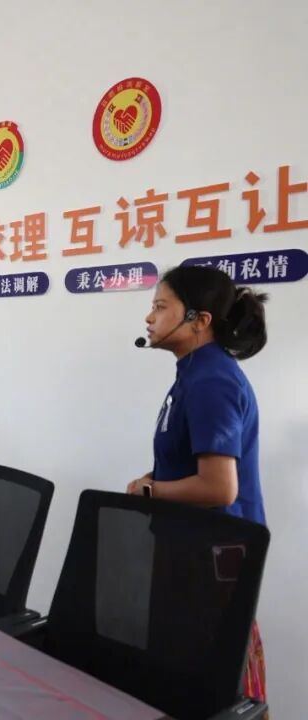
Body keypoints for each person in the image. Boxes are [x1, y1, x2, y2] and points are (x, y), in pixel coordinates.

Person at [125, 265, 269, 704]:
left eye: (160, 306)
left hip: (212, 559)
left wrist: (149, 492)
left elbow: (219, 488)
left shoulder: (211, 381)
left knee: (205, 685)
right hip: (191, 549)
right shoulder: (192, 373)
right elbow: (186, 458)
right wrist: (155, 477)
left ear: (199, 320)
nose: (149, 317)